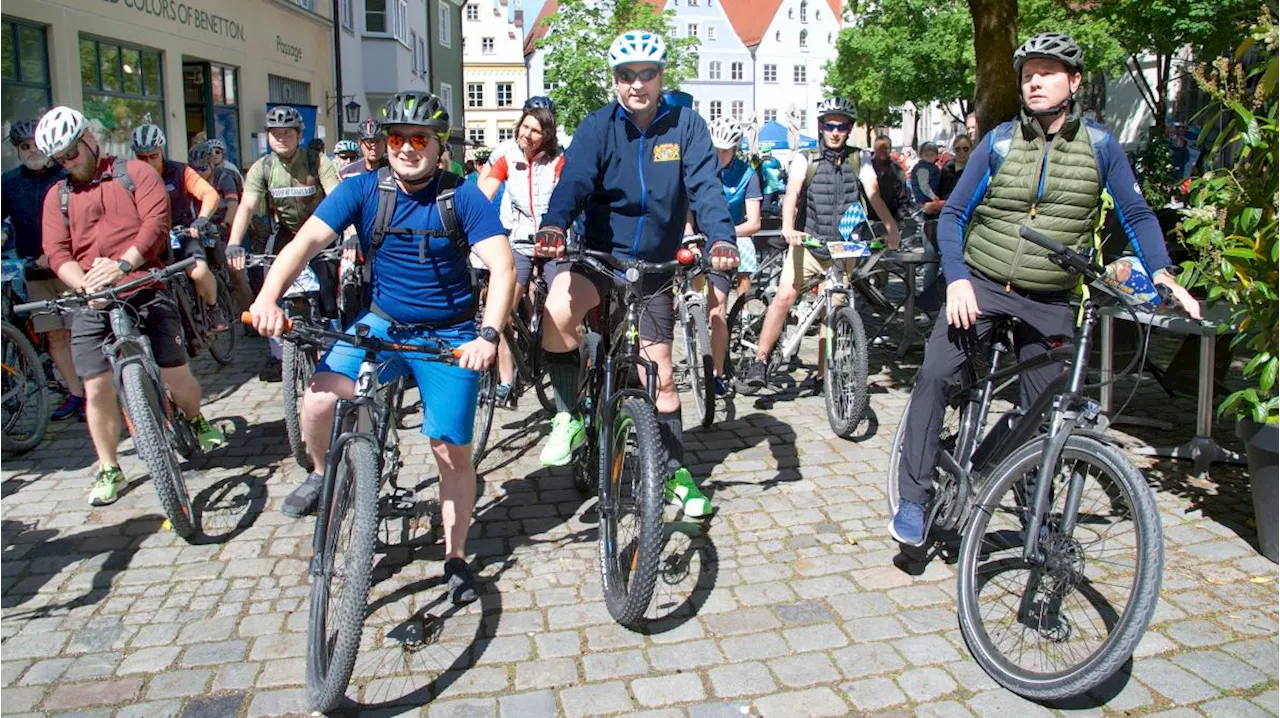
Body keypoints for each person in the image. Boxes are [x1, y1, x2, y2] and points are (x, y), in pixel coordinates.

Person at [888, 33, 1202, 546]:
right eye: (1028, 73)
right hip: (983, 284)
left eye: (1047, 72)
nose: (1034, 81)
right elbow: (955, 216)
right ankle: (914, 499)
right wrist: (958, 278)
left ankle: (1033, 511)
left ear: (1074, 82)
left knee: (1046, 410)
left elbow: (1138, 213)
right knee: (937, 375)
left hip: (1051, 297)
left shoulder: (1102, 148)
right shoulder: (999, 142)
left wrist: (1163, 273)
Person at [247, 91, 513, 603]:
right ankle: (325, 474)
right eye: (397, 138)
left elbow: (501, 267)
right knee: (319, 398)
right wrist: (266, 298)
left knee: (450, 452)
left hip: (451, 333)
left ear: (440, 147)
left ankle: (455, 557)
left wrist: (488, 334)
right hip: (383, 323)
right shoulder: (364, 189)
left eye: (419, 139)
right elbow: (303, 243)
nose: (407, 148)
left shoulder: (461, 197)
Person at [533, 30, 740, 518]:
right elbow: (576, 180)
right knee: (557, 311)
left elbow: (707, 187)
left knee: (662, 378)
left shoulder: (685, 126)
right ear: (616, 81)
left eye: (646, 74)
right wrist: (553, 224)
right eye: (626, 76)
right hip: (600, 258)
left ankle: (673, 474)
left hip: (653, 268)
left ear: (661, 76)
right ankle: (569, 413)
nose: (636, 85)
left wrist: (722, 238)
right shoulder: (598, 127)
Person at [35, 107, 225, 506]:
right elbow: (55, 251)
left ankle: (194, 417)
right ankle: (110, 467)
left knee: (176, 375)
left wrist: (123, 265)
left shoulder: (135, 174)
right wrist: (85, 282)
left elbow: (155, 223)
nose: (69, 163)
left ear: (89, 138)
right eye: (61, 159)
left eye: (73, 152)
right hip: (93, 296)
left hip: (144, 283)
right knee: (97, 386)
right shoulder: (59, 196)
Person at [742, 97, 900, 390]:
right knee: (785, 298)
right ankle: (760, 360)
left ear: (850, 128)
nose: (835, 132)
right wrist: (789, 228)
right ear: (821, 127)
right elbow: (792, 194)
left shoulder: (859, 158)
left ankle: (823, 373)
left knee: (834, 310)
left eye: (841, 126)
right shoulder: (807, 158)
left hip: (844, 248)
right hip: (809, 243)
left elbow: (874, 194)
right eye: (830, 126)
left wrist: (890, 228)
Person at [226, 106, 341, 381]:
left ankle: (334, 347)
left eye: (287, 133)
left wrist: (347, 237)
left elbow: (337, 197)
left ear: (299, 135)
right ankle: (278, 355)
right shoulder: (263, 167)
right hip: (287, 232)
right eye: (274, 134)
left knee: (327, 291)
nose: (280, 138)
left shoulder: (316, 161)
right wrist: (233, 242)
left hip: (320, 230)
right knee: (270, 285)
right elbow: (247, 205)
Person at [476, 101, 565, 407]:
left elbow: (569, 197)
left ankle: (569, 378)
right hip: (520, 242)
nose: (526, 135)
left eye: (535, 131)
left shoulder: (558, 160)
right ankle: (505, 381)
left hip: (555, 245)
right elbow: (481, 196)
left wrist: (560, 230)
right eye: (524, 127)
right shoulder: (507, 155)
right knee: (500, 310)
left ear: (547, 136)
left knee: (561, 309)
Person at [0, 120, 84, 420]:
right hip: (35, 272)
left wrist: (58, 252)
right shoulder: (8, 182)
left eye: (36, 145)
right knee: (55, 337)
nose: (32, 151)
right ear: (18, 151)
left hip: (71, 267)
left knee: (81, 332)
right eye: (24, 147)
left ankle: (95, 391)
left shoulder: (66, 176)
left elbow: (82, 220)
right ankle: (76, 393)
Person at [686, 117, 761, 396]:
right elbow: (687, 209)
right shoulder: (697, 168)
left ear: (736, 148)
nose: (719, 155)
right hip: (697, 242)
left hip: (728, 245)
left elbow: (754, 223)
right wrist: (690, 237)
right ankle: (695, 344)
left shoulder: (747, 175)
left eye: (725, 150)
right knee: (692, 302)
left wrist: (725, 236)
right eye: (715, 148)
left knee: (717, 309)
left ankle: (716, 373)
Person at [130, 124, 227, 330]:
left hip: (183, 232)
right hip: (152, 238)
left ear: (161, 151)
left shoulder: (180, 171)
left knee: (199, 272)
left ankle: (213, 307)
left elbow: (209, 194)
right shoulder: (129, 177)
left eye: (152, 156)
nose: (147, 161)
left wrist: (201, 219)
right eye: (142, 157)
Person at [868, 134, 909, 223]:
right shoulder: (866, 169)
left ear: (890, 149)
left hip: (892, 219)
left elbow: (903, 198)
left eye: (886, 148)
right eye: (880, 148)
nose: (883, 151)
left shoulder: (898, 171)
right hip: (869, 219)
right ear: (874, 149)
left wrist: (899, 218)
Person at [911, 141, 945, 218]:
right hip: (925, 202)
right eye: (926, 155)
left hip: (930, 201)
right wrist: (933, 197)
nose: (929, 157)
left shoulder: (932, 167)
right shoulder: (922, 168)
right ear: (921, 155)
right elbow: (924, 185)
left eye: (932, 154)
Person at [938, 134, 972, 199]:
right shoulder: (947, 167)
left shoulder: (974, 169)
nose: (962, 152)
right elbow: (940, 190)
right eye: (958, 149)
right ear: (953, 149)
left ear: (971, 149)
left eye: (965, 149)